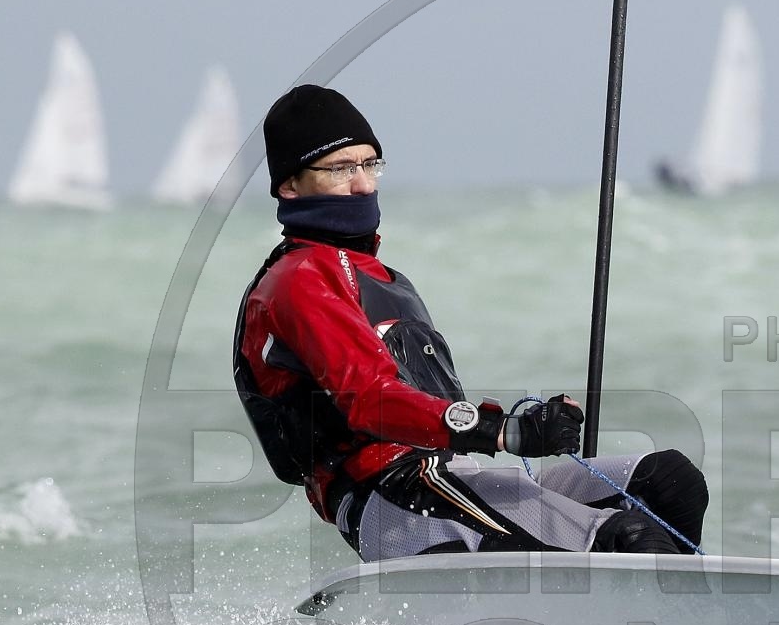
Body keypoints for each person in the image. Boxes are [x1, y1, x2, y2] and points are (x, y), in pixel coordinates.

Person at [233, 84, 707, 560]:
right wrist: (505, 431)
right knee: (626, 538)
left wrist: (533, 424)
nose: (362, 185)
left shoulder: (384, 279)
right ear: (290, 185)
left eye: (369, 164)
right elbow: (370, 399)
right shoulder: (300, 278)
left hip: (454, 477)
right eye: (340, 169)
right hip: (394, 495)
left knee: (668, 482)